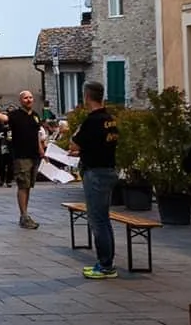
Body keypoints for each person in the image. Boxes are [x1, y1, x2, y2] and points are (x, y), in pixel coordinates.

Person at [68, 81, 119, 279]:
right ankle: (107, 262)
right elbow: (101, 144)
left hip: (95, 173)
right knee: (104, 219)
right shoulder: (110, 120)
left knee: (97, 220)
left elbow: (74, 142)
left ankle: (105, 265)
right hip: (108, 169)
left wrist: (78, 134)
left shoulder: (92, 121)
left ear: (86, 96)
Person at [0, 91, 45, 229]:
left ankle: (25, 214)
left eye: (30, 97)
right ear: (21, 100)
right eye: (26, 98)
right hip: (21, 155)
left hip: (33, 155)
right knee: (23, 185)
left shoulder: (36, 116)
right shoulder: (16, 115)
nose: (29, 100)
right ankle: (24, 215)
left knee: (28, 185)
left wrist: (41, 149)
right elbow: (5, 118)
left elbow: (36, 133)